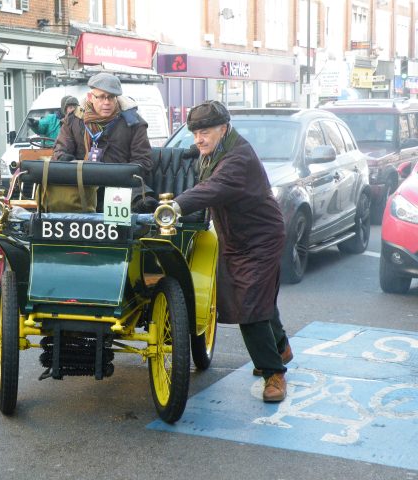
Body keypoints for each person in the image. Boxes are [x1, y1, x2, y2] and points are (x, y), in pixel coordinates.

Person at [172, 100, 293, 403]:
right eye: (195, 132)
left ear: (223, 129)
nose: (199, 139)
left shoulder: (238, 158)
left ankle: (273, 374)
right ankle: (280, 348)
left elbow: (212, 189)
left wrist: (174, 205)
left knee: (249, 305)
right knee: (258, 296)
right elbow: (204, 172)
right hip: (238, 237)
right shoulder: (216, 150)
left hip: (259, 238)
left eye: (205, 132)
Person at [53, 72, 155, 211]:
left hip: (119, 187)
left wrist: (112, 175)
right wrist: (75, 166)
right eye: (101, 97)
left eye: (111, 97)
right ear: (90, 97)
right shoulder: (73, 120)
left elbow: (143, 162)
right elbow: (60, 152)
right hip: (81, 187)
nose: (106, 102)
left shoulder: (134, 123)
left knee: (142, 204)